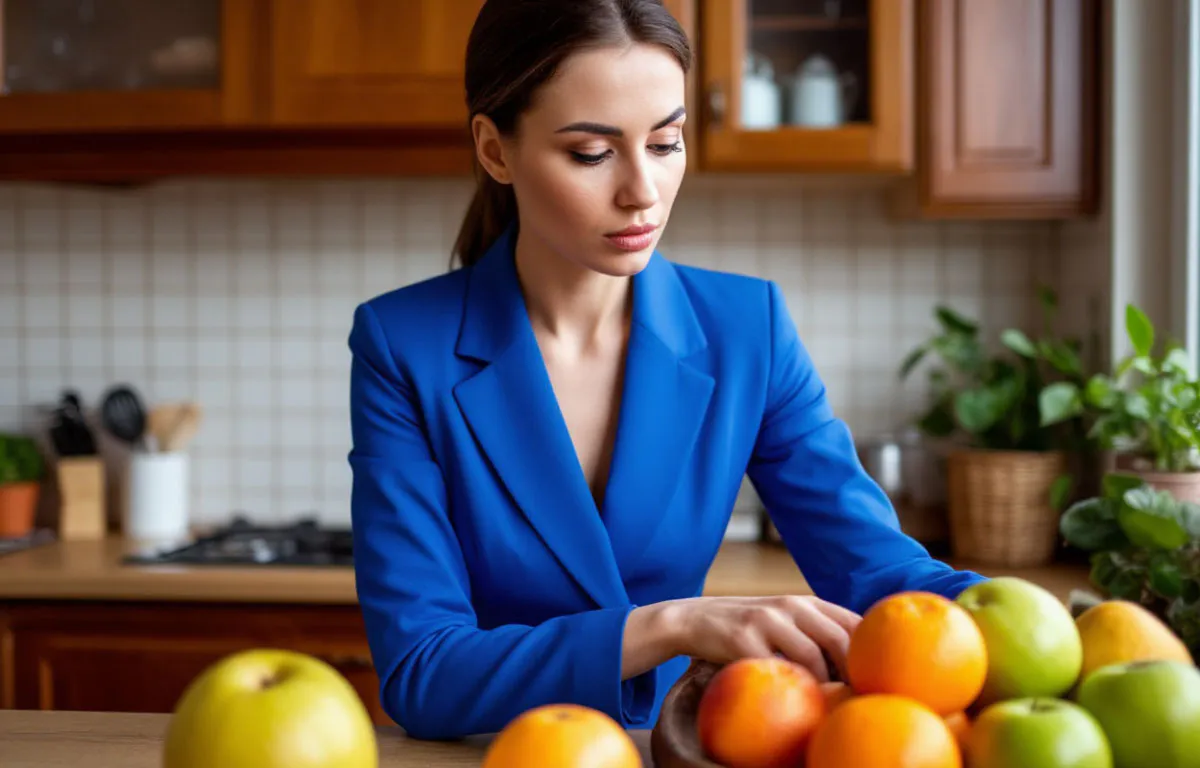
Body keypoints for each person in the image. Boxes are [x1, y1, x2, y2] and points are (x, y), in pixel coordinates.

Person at [347, 0, 985, 741]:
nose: (642, 190)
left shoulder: (750, 330)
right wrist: (674, 625)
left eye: (667, 141)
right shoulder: (401, 345)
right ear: (494, 150)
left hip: (676, 753)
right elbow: (422, 673)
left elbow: (884, 576)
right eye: (592, 153)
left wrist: (1067, 631)